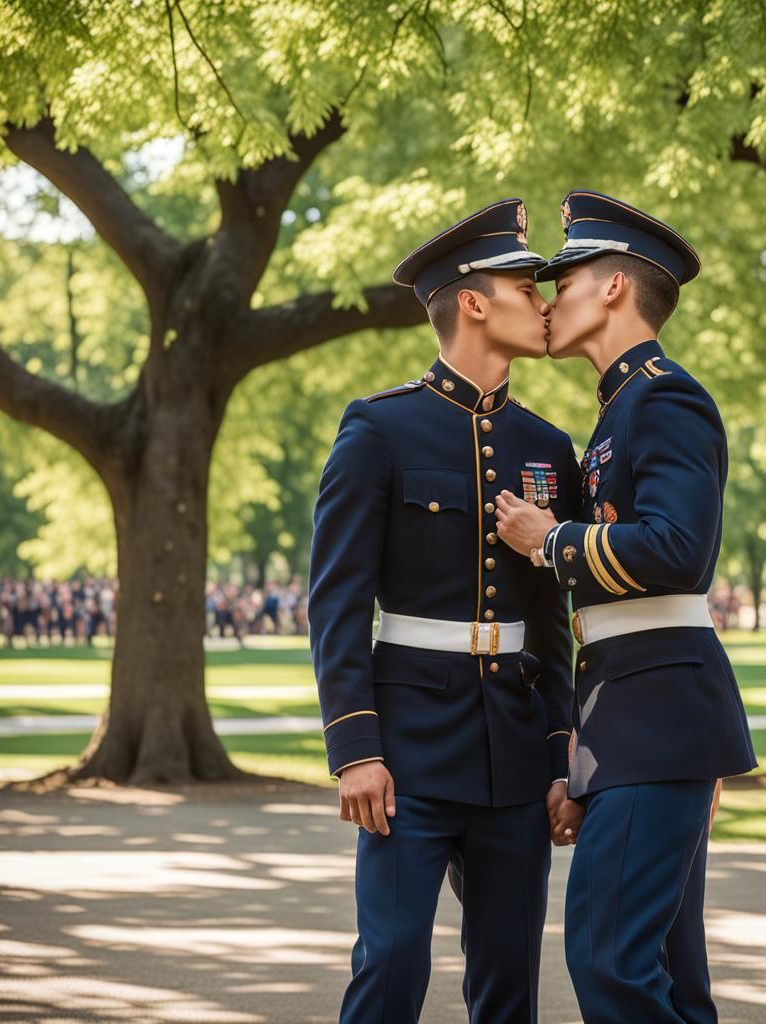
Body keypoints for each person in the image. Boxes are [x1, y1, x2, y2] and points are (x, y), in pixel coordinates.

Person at [308, 199, 579, 1024]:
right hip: (408, 753)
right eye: (524, 284)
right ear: (471, 300)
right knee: (389, 968)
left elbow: (551, 623)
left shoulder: (549, 446)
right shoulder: (379, 429)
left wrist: (563, 751)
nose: (543, 302)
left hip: (515, 756)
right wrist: (355, 746)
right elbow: (338, 602)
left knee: (508, 984)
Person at [496, 190, 757, 1024]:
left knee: (606, 955)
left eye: (562, 281)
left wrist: (550, 539)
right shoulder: (619, 408)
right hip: (637, 716)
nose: (548, 301)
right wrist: (586, 756)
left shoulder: (665, 397)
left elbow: (680, 551)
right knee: (672, 980)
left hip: (662, 713)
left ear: (611, 287)